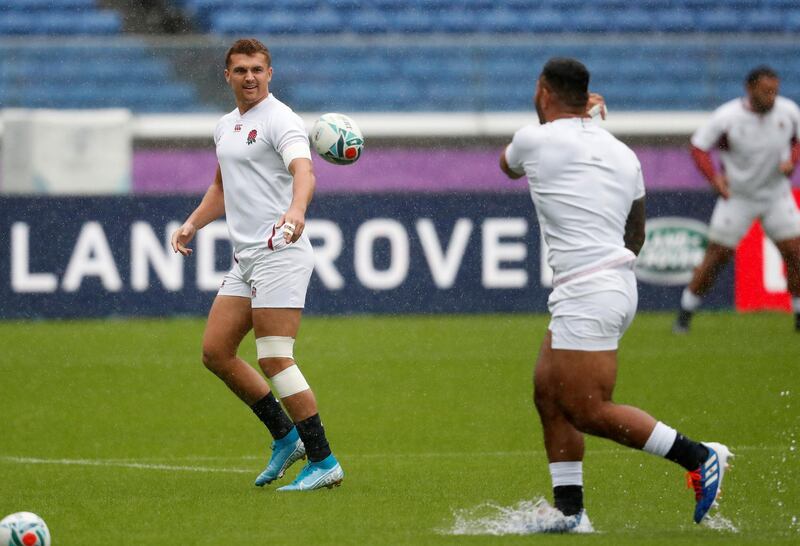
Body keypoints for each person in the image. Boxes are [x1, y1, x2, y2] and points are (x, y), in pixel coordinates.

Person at [499, 58, 731, 531]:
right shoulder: (625, 154)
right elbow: (637, 233)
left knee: (587, 409)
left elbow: (507, 167)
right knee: (549, 394)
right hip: (610, 283)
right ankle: (569, 511)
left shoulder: (532, 139)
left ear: (543, 90)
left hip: (588, 289)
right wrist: (591, 124)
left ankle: (699, 456)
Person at [170, 38, 343, 491]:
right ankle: (286, 438)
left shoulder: (281, 119)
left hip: (280, 251)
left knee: (274, 357)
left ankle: (324, 461)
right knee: (216, 352)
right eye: (241, 70)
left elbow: (305, 172)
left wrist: (298, 209)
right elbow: (222, 188)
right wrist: (193, 223)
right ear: (227, 76)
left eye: (258, 70)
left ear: (271, 74)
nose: (250, 77)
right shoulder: (225, 126)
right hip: (246, 258)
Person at [674, 65, 800, 333]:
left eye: (775, 91)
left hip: (776, 195)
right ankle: (685, 314)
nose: (772, 97)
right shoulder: (727, 117)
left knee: (795, 254)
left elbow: (797, 141)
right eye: (766, 91)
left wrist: (793, 161)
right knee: (716, 257)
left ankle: (799, 315)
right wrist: (715, 179)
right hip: (738, 196)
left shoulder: (788, 111)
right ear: (750, 89)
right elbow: (698, 147)